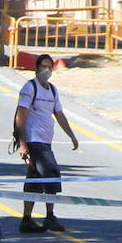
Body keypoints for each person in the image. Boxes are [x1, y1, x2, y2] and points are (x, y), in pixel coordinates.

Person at [14, 52, 79, 233]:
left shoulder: (52, 90)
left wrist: (71, 135)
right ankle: (44, 217)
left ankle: (32, 219)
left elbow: (59, 114)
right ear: (36, 68)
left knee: (38, 179)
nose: (46, 70)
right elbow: (21, 116)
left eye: (49, 67)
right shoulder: (30, 88)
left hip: (46, 140)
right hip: (33, 140)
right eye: (43, 67)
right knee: (49, 174)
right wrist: (23, 144)